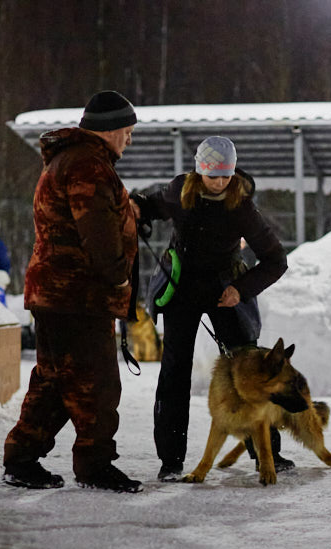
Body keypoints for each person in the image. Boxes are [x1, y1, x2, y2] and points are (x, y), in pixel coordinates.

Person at [2, 89, 142, 493]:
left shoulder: (73, 160)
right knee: (95, 383)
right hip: (78, 296)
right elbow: (96, 230)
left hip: (58, 294)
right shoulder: (87, 166)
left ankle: (22, 459)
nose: (129, 139)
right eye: (127, 131)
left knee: (55, 380)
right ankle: (95, 466)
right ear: (110, 129)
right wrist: (118, 277)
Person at [131, 135, 290, 482]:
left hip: (224, 289)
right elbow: (152, 205)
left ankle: (267, 454)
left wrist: (241, 290)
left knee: (247, 371)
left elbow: (276, 260)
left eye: (225, 176)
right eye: (212, 175)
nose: (219, 182)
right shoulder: (180, 191)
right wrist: (135, 207)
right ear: (199, 171)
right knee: (174, 373)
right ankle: (170, 460)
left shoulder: (242, 205)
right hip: (181, 288)